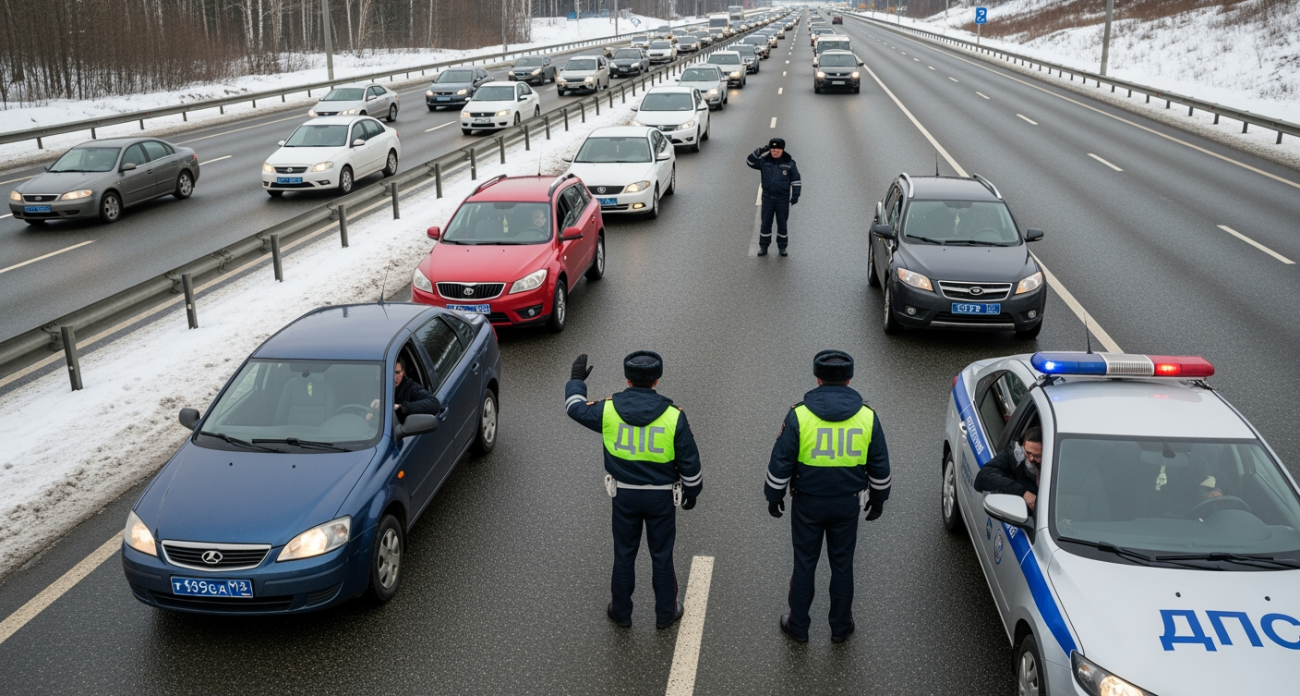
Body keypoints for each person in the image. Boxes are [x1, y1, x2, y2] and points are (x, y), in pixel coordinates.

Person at [565, 351, 703, 629]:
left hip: (624, 496)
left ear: (627, 380)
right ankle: (665, 614)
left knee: (624, 554)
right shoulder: (673, 416)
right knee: (662, 556)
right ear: (657, 380)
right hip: (661, 497)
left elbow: (574, 408)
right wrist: (692, 492)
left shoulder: (608, 409)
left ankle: (621, 612)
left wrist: (576, 381)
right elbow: (690, 461)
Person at [765, 350, 890, 644]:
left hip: (807, 502)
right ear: (850, 379)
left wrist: (774, 496)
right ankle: (840, 627)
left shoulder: (799, 414)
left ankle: (798, 626)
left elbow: (781, 461)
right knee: (842, 565)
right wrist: (878, 499)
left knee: (805, 564)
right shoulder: (867, 417)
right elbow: (879, 465)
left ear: (817, 378)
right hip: (847, 503)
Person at [746, 137, 802, 257]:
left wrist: (796, 194)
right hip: (767, 198)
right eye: (772, 149)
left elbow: (796, 180)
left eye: (777, 149)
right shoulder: (764, 161)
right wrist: (761, 151)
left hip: (782, 198)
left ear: (782, 150)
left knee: (782, 223)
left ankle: (782, 247)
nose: (774, 151)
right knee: (766, 222)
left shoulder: (789, 163)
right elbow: (749, 162)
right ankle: (764, 247)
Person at [973, 427, 1042, 512]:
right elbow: (983, 476)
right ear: (1023, 446)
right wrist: (1023, 492)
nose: (1031, 458)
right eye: (1028, 453)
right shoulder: (1013, 457)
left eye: (1037, 455)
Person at [370, 357, 439, 423]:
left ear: (403, 372)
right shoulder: (373, 386)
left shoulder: (410, 388)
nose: (394, 377)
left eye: (397, 372)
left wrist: (401, 407)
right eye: (389, 372)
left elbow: (433, 403)